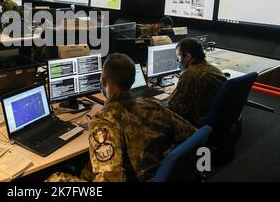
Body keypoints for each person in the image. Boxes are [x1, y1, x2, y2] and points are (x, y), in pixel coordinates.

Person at [47, 53, 196, 182]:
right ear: (132, 80)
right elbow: (191, 134)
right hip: (156, 174)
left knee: (55, 177)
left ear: (104, 80)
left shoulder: (103, 122)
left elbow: (111, 180)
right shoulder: (153, 105)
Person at [168, 38, 227, 128]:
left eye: (179, 56)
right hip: (218, 121)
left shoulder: (189, 75)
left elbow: (173, 107)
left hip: (197, 125)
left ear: (188, 56)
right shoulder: (215, 69)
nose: (177, 61)